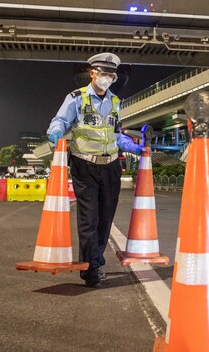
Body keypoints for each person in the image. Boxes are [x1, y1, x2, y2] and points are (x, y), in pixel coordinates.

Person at [47, 52, 144, 287]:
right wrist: (55, 133)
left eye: (111, 74)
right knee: (89, 218)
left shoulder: (116, 102)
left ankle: (95, 261)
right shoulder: (76, 98)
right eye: (103, 73)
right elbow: (60, 121)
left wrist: (131, 146)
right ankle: (92, 268)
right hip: (84, 165)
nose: (107, 77)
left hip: (110, 167)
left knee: (105, 218)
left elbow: (114, 134)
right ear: (92, 73)